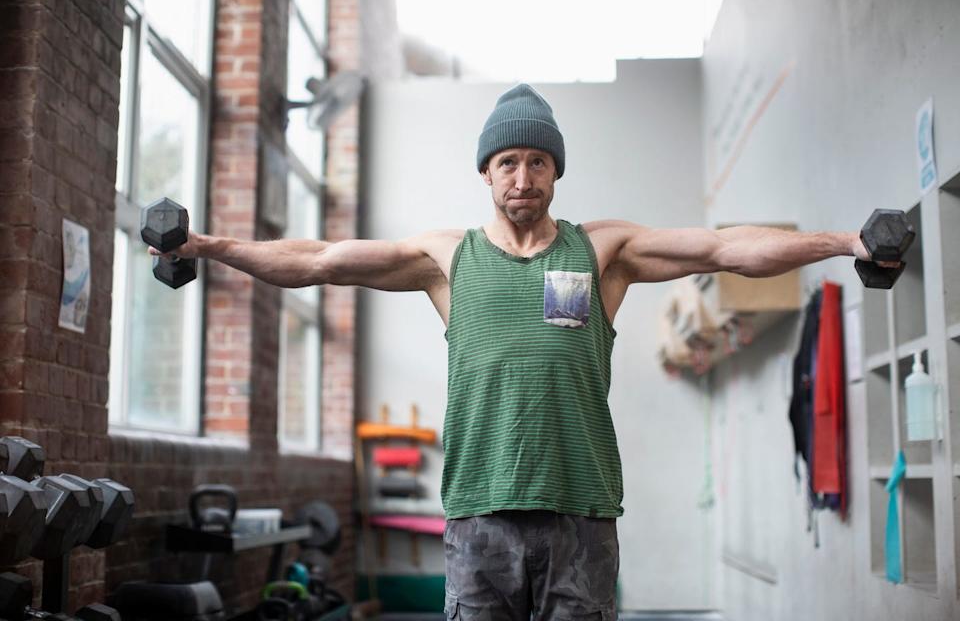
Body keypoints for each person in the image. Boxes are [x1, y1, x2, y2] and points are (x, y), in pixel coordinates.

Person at [154, 84, 880, 620]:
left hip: (582, 513)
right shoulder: (446, 258)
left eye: (537, 162)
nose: (523, 178)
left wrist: (846, 243)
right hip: (480, 516)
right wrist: (211, 246)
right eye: (508, 162)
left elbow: (724, 248)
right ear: (486, 172)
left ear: (555, 171)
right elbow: (318, 259)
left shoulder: (603, 251)